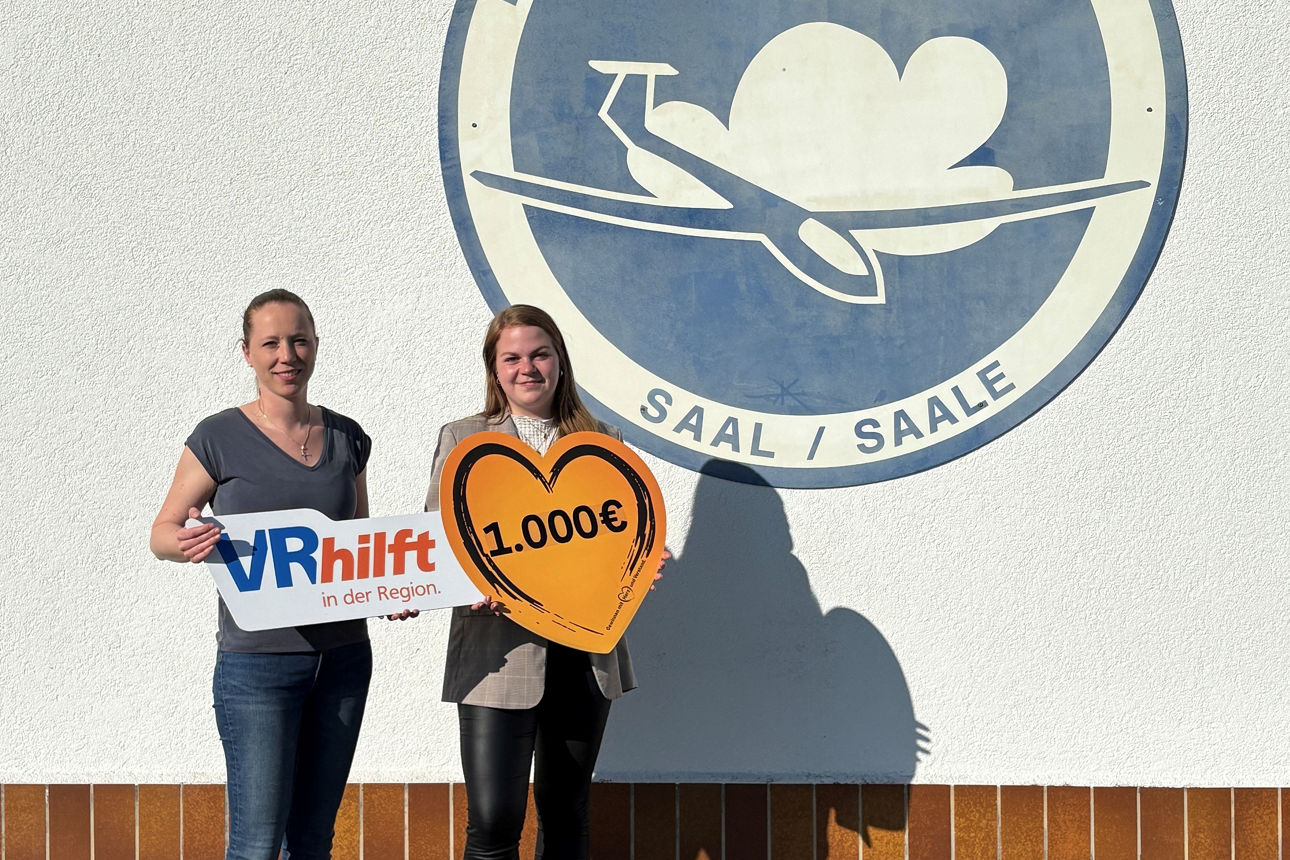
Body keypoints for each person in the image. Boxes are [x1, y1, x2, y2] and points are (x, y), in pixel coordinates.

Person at [424, 304, 665, 860]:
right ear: (495, 368)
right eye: (511, 357)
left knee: (565, 814)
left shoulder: (602, 439)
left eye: (539, 354)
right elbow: (442, 542)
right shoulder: (463, 438)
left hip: (583, 657)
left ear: (560, 362)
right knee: (492, 822)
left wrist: (641, 559)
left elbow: (620, 535)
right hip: (496, 654)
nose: (526, 367)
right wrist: (467, 582)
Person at [150, 289, 372, 860]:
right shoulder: (217, 437)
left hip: (344, 658)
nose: (286, 354)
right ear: (246, 353)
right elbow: (162, 533)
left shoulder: (348, 436)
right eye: (270, 342)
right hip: (257, 667)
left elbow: (360, 540)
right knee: (254, 844)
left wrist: (385, 589)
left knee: (313, 842)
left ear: (316, 345)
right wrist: (187, 541)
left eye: (298, 340)